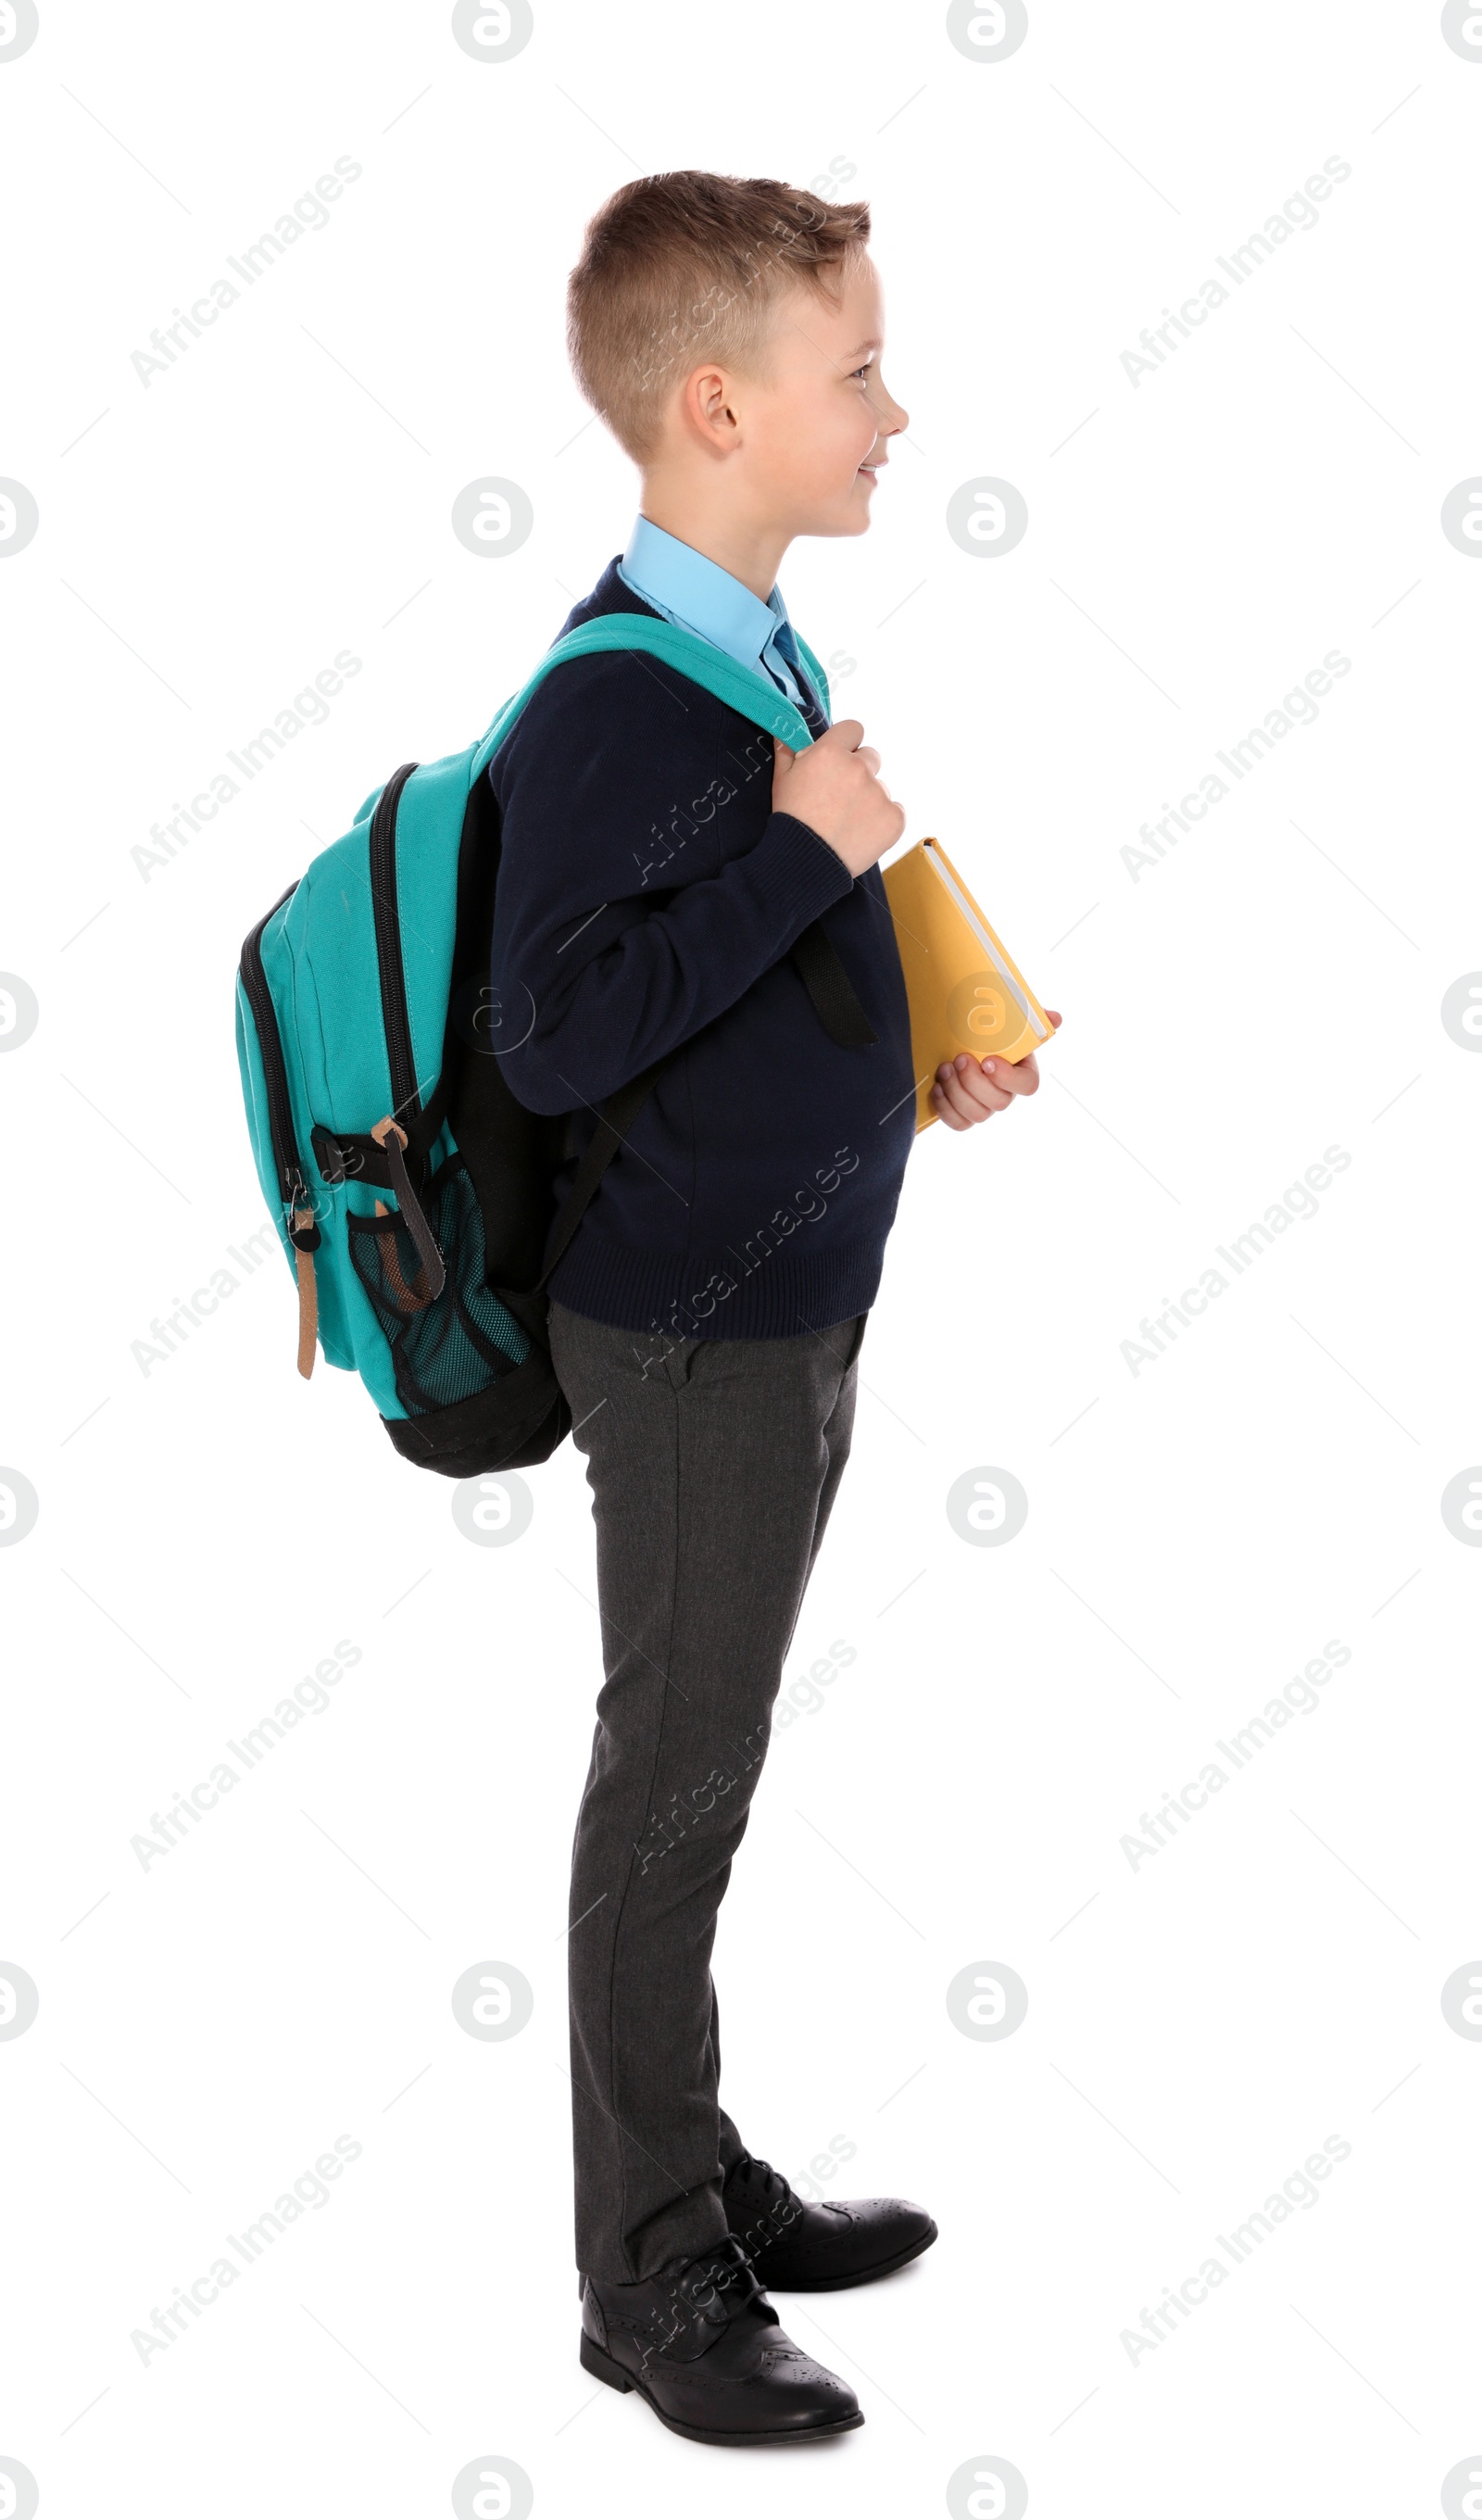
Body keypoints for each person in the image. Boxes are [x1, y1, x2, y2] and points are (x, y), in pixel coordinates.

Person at [487, 170, 1059, 2449]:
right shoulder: (613, 708)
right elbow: (558, 1027)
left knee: (699, 1775)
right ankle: (646, 2283)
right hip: (690, 1349)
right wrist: (815, 850)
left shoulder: (748, 651)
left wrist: (907, 1041)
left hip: (781, 1316)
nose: (894, 409)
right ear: (716, 404)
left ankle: (692, 2171)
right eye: (855, 374)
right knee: (670, 1792)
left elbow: (724, 975)